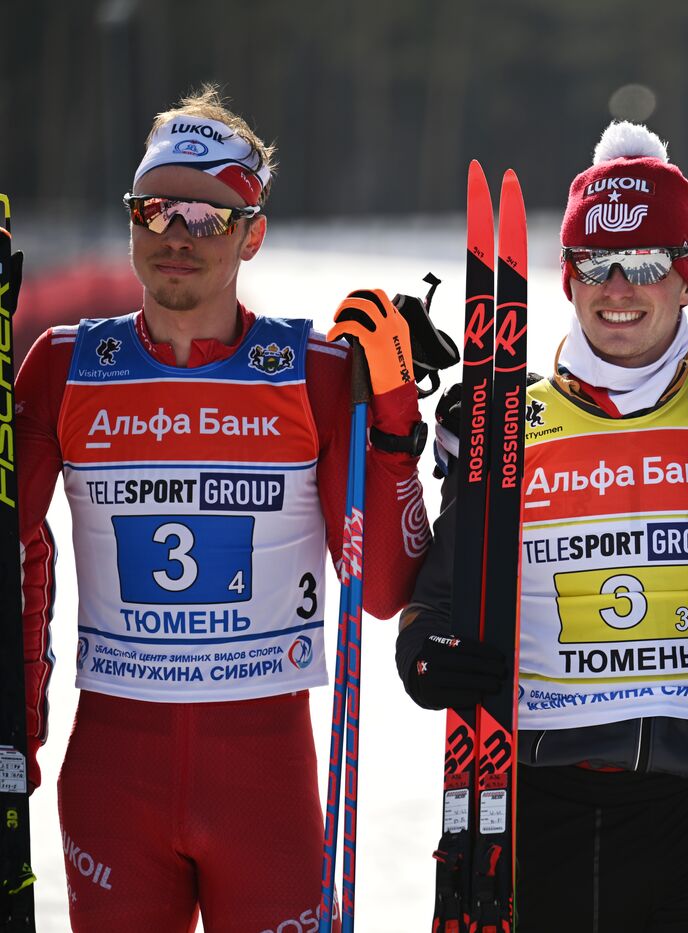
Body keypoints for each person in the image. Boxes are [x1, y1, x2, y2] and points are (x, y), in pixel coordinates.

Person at [15, 85, 431, 932]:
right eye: (155, 210)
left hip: (265, 787)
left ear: (253, 234)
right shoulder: (62, 366)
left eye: (208, 217)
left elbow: (383, 589)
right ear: (132, 219)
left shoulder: (313, 369)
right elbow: (14, 547)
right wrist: (20, 717)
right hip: (111, 780)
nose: (176, 236)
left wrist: (392, 429)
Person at [397, 121, 688, 932]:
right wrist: (423, 648)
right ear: (566, 278)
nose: (618, 286)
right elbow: (439, 596)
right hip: (551, 790)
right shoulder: (505, 420)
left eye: (648, 263)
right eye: (595, 262)